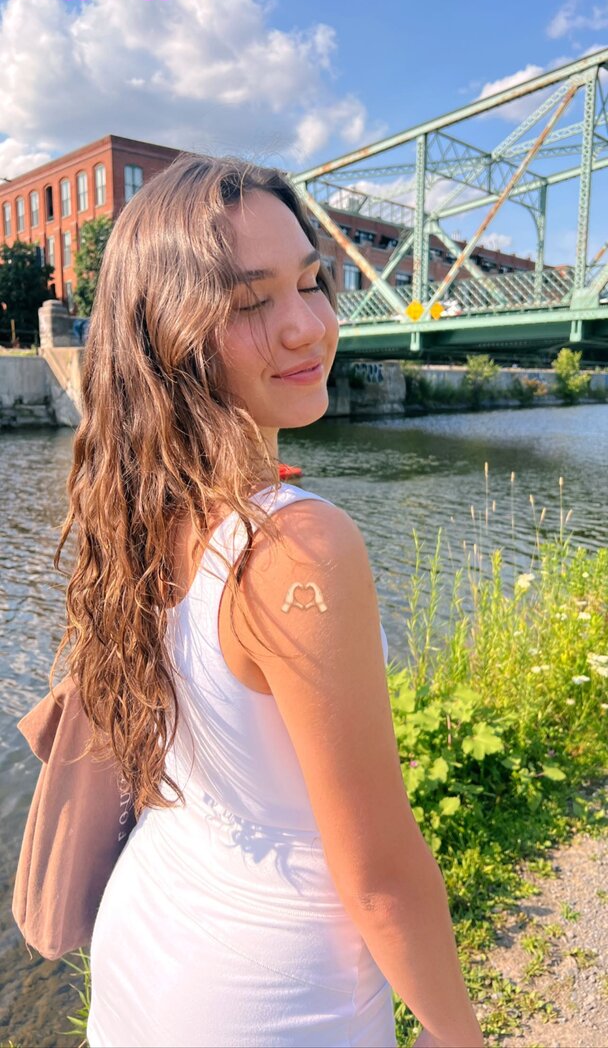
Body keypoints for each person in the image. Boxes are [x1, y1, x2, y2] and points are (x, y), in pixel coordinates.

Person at [50, 152, 483, 1047]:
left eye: (312, 283)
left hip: (148, 946)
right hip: (279, 1002)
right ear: (169, 334)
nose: (307, 327)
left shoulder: (138, 508)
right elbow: (381, 879)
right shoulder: (298, 547)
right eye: (251, 303)